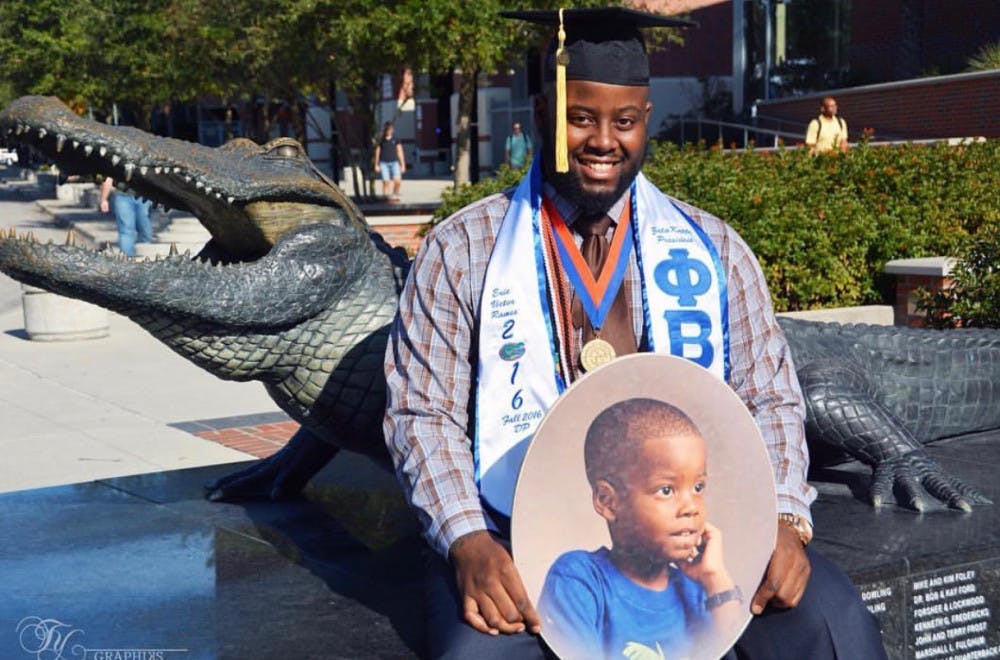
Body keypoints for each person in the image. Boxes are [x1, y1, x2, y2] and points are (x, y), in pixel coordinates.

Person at [383, 7, 886, 659]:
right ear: (542, 114)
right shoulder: (463, 251)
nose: (602, 141)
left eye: (623, 121)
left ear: (646, 122)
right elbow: (423, 413)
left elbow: (770, 399)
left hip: (696, 535)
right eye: (580, 117)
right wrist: (467, 541)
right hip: (513, 534)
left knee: (831, 625)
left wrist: (784, 516)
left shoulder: (713, 252)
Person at [538, 398, 741, 660]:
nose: (691, 507)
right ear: (608, 501)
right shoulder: (580, 580)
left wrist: (716, 579)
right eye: (666, 490)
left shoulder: (698, 591)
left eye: (698, 487)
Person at [98, 176, 153, 256]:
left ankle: (143, 254)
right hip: (123, 196)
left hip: (143, 195)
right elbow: (108, 178)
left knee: (144, 228)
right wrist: (103, 200)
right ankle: (127, 258)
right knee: (126, 229)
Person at [374, 121, 406, 200]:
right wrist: (376, 164)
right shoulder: (381, 140)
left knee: (397, 181)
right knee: (386, 182)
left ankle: (395, 194)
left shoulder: (396, 139)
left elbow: (400, 151)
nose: (389, 131)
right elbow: (377, 152)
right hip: (383, 163)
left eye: (391, 129)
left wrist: (403, 165)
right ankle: (386, 198)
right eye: (388, 129)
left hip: (394, 162)